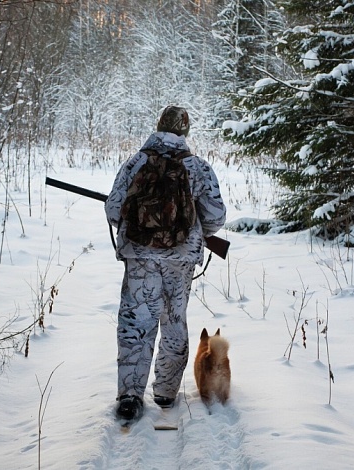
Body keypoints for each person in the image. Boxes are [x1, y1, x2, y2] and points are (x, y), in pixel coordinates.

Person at [104, 105, 227, 421]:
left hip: (140, 259)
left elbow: (113, 209)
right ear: (185, 133)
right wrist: (192, 234)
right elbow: (216, 215)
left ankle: (130, 397)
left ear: (157, 127)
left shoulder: (135, 163)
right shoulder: (198, 167)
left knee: (136, 323)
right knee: (173, 321)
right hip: (180, 260)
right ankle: (166, 393)